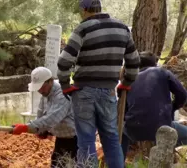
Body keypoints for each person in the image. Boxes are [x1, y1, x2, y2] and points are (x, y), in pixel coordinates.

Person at [56, 0, 140, 167]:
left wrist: (65, 85)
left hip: (83, 91)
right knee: (111, 139)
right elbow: (134, 61)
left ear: (84, 9)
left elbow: (64, 61)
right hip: (108, 92)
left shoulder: (83, 28)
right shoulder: (122, 28)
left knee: (86, 140)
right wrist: (126, 82)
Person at [121, 51, 187, 158]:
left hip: (133, 129)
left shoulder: (128, 80)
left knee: (121, 133)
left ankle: (119, 163)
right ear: (155, 64)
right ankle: (164, 156)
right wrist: (172, 108)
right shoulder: (162, 72)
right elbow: (183, 95)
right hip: (162, 127)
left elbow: (123, 109)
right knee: (169, 133)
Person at [12, 67, 78, 168]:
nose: (40, 90)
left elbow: (51, 119)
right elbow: (41, 114)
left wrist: (26, 127)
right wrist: (41, 130)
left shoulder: (62, 94)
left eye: (42, 87)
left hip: (76, 141)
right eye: (38, 88)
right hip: (62, 139)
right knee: (57, 165)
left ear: (50, 81)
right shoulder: (46, 94)